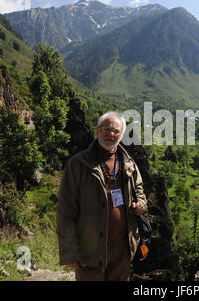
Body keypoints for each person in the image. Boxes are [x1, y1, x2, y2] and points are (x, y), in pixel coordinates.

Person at [57, 111, 147, 281]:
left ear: (121, 136)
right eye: (107, 129)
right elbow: (65, 210)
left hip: (122, 249)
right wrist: (70, 251)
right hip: (89, 250)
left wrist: (141, 202)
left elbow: (139, 187)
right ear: (98, 130)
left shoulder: (128, 163)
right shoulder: (78, 164)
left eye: (116, 131)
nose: (111, 134)